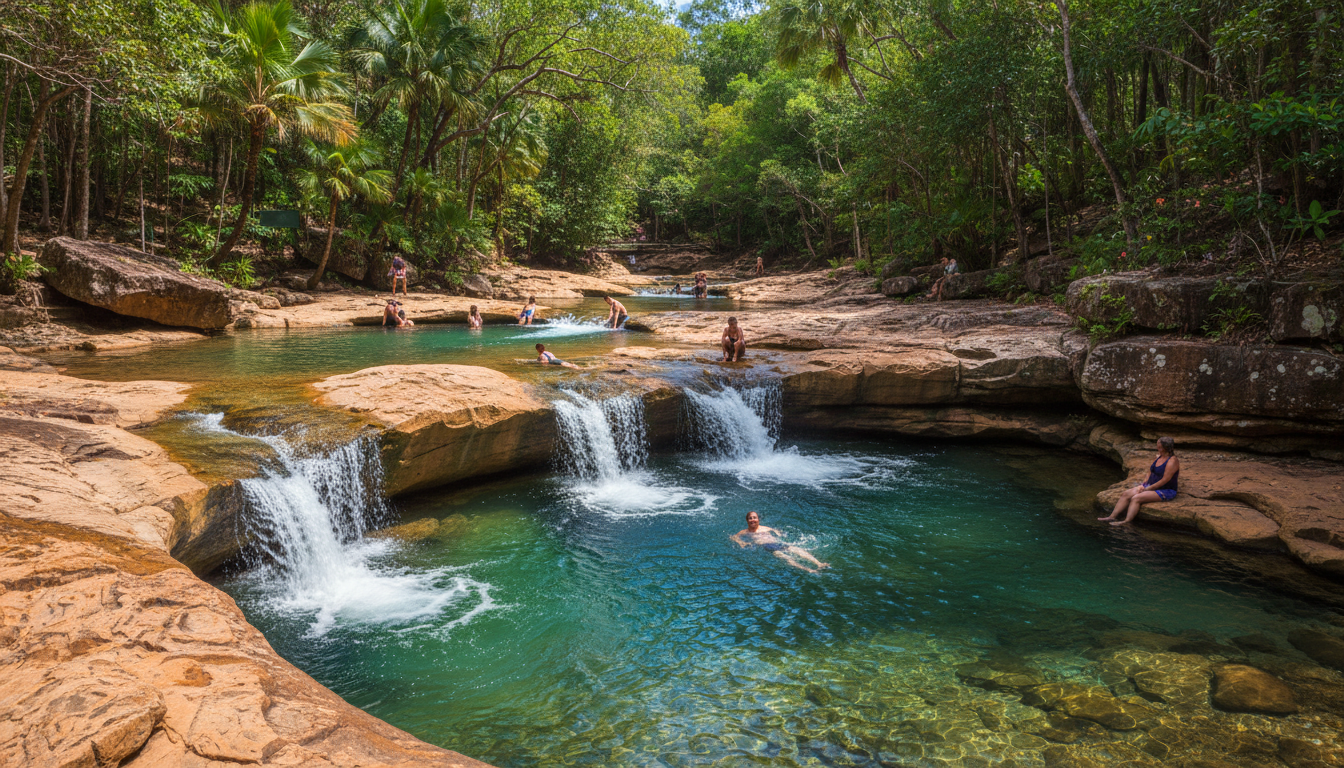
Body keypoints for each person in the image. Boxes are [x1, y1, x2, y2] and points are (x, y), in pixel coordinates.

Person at [1099, 437, 1181, 526]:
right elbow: (1150, 472)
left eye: (1159, 446)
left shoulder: (1172, 461)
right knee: (1126, 494)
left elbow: (1165, 480)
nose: (1157, 448)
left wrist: (1148, 488)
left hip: (1166, 490)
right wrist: (1144, 485)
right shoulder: (1158, 457)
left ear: (1165, 448)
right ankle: (1112, 516)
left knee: (1136, 498)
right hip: (1150, 486)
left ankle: (1126, 521)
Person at [731, 511, 829, 573]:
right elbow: (733, 537)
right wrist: (741, 542)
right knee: (787, 558)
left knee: (798, 550)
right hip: (768, 547)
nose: (753, 520)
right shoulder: (745, 532)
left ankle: (819, 563)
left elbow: (775, 530)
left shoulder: (765, 528)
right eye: (750, 518)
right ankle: (809, 570)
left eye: (754, 518)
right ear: (747, 520)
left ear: (758, 519)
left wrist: (778, 533)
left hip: (778, 543)